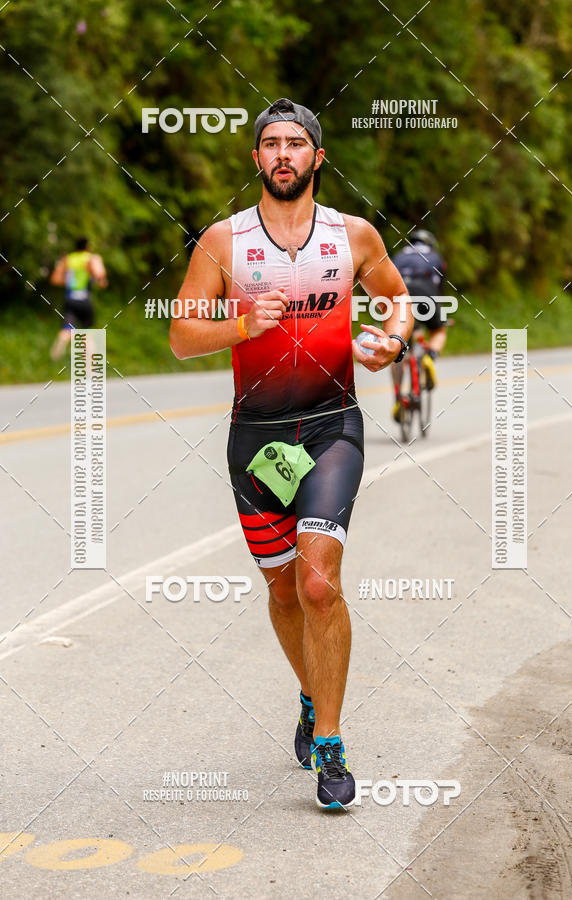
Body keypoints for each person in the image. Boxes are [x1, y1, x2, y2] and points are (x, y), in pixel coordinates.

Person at [170, 98, 413, 810]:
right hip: (257, 439)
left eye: (295, 143)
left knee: (316, 585)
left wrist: (390, 341)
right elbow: (182, 335)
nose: (283, 154)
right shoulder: (223, 242)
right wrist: (242, 322)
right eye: (270, 143)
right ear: (255, 159)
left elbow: (397, 300)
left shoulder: (354, 234)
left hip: (332, 424)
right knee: (281, 590)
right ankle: (310, 694)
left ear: (317, 158)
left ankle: (331, 742)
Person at [390, 230, 447, 418]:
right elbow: (439, 289)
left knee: (396, 347)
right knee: (438, 331)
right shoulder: (435, 257)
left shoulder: (398, 256)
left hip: (401, 295)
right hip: (426, 293)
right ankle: (430, 356)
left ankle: (398, 399)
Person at [49, 237, 107, 359]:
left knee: (67, 328)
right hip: (84, 300)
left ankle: (56, 354)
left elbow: (55, 279)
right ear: (88, 247)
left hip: (70, 299)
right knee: (87, 332)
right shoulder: (91, 258)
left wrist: (70, 281)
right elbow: (100, 275)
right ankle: (90, 366)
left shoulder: (68, 259)